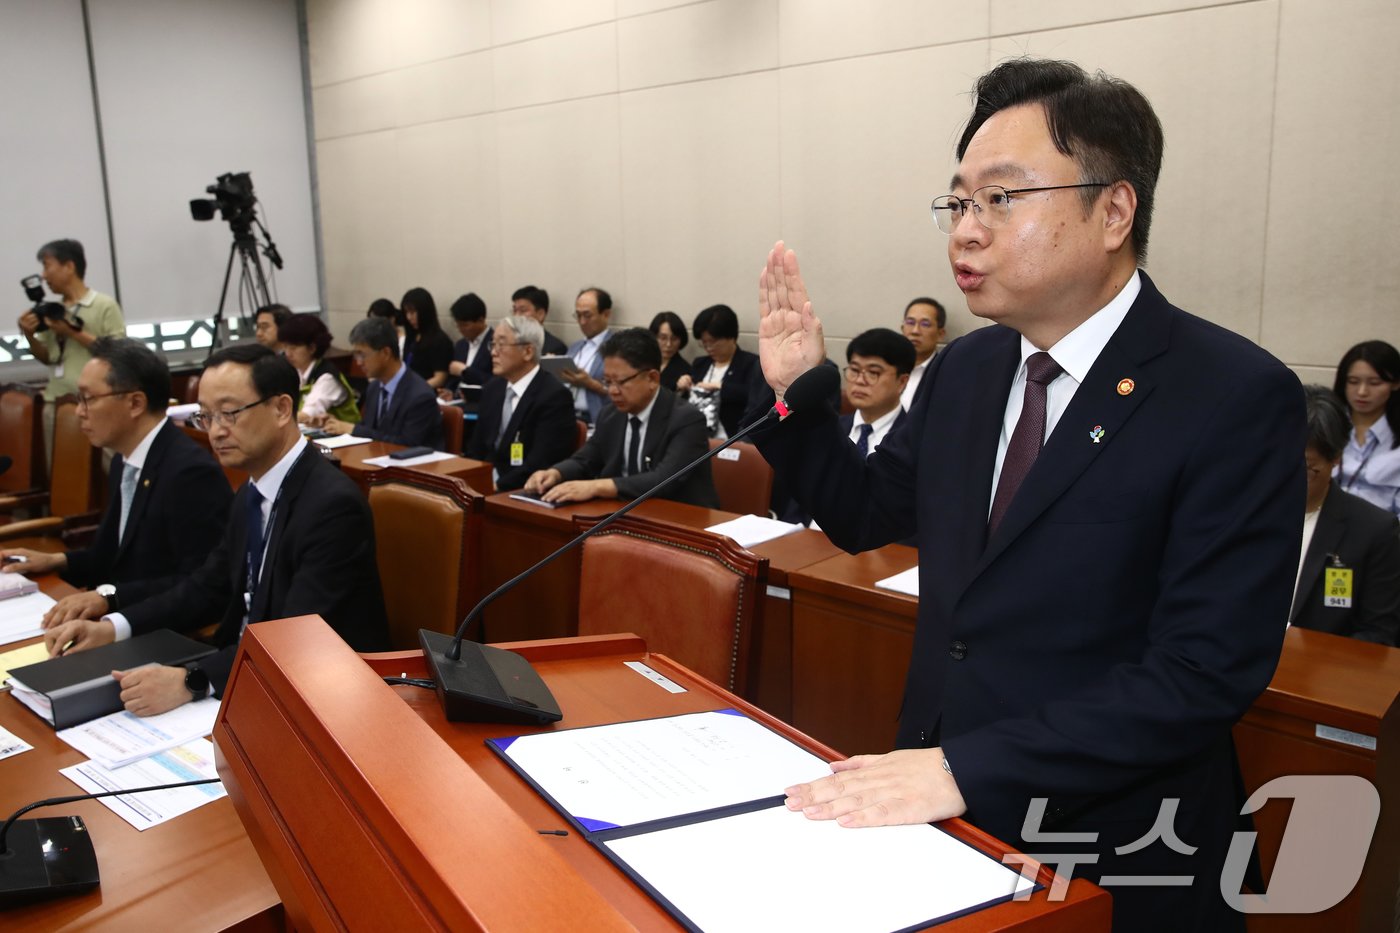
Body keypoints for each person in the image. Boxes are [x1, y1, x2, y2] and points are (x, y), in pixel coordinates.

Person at [758, 59, 1303, 930]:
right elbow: (868, 514)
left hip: (1115, 851)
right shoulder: (967, 370)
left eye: (1001, 199)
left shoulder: (1233, 393)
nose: (965, 233)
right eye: (958, 202)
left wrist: (964, 767)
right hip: (947, 828)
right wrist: (796, 397)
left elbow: (1201, 672)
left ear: (1114, 210)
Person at [43, 344, 389, 714]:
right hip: (241, 669)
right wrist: (113, 626)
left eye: (229, 413)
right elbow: (206, 588)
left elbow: (295, 639)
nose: (216, 432)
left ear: (281, 409)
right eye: (206, 417)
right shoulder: (252, 493)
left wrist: (192, 680)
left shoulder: (331, 506)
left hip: (317, 694)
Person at [0, 338, 230, 625]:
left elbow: (201, 587)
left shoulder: (190, 473)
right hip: (117, 618)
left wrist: (109, 598)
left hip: (158, 630)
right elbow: (110, 556)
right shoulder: (126, 460)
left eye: (88, 398)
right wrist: (56, 560)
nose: (79, 410)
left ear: (135, 403)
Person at [524, 327, 718, 508]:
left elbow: (663, 481)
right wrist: (555, 473)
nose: (613, 391)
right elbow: (586, 459)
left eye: (621, 382)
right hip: (624, 512)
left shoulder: (687, 419)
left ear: (652, 378)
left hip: (679, 519)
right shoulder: (611, 414)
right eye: (607, 382)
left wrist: (596, 487)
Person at [1290, 386, 1400, 645]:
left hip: (1320, 675)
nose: (1288, 480)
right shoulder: (1244, 513)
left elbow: (1378, 634)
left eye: (1307, 470)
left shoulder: (1374, 530)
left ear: (1336, 459)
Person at [16, 238, 126, 470]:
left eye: (47, 266)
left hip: (96, 404)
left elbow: (118, 352)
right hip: (55, 402)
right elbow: (48, 357)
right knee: (62, 474)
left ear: (69, 266)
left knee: (109, 471)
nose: (44, 276)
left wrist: (72, 332)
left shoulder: (103, 305)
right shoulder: (52, 311)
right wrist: (29, 335)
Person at [464, 316, 576, 491]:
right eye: (492, 344)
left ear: (528, 352)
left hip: (522, 489)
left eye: (501, 344)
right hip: (485, 482)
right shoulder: (493, 388)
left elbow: (541, 462)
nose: (493, 352)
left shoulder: (554, 396)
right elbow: (477, 447)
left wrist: (494, 486)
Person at [325, 316, 443, 449]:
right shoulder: (374, 388)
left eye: (362, 355)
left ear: (386, 353)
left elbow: (407, 444)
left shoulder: (420, 396)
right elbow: (369, 429)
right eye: (356, 355)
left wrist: (354, 430)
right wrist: (336, 424)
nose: (358, 362)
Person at [1332, 340, 1400, 516]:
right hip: (1323, 531)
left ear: (1395, 383)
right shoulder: (1328, 425)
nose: (1362, 392)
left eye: (1375, 383)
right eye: (1353, 381)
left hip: (1385, 538)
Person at [676, 304, 759, 439]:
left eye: (713, 342)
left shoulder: (751, 364)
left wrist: (720, 387)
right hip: (695, 437)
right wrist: (682, 387)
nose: (708, 348)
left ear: (732, 337)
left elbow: (753, 397)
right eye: (704, 342)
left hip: (731, 438)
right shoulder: (700, 363)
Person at [842, 328, 914, 457]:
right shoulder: (831, 430)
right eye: (854, 369)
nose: (859, 380)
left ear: (902, 382)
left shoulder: (914, 439)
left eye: (873, 373)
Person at [278, 313, 359, 426]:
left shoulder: (327, 377)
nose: (287, 353)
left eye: (293, 347)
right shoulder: (296, 371)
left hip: (346, 439)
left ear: (312, 348)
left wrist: (272, 419)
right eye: (285, 347)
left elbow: (307, 415)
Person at [562, 287, 613, 423]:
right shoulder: (575, 347)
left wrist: (590, 384)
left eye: (587, 315)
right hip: (567, 416)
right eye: (578, 316)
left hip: (596, 419)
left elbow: (625, 393)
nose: (582, 322)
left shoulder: (616, 347)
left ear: (606, 314)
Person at [400, 287, 452, 390]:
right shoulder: (412, 337)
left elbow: (440, 378)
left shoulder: (439, 340)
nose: (409, 317)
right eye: (406, 312)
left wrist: (414, 390)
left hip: (425, 393)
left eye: (412, 312)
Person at [900, 297, 946, 411]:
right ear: (902, 329)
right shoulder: (887, 367)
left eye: (925, 324)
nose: (915, 331)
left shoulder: (945, 374)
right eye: (910, 322)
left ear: (940, 334)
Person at [447, 292, 493, 390]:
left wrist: (465, 371)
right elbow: (454, 378)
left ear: (481, 320)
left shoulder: (496, 344)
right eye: (458, 325)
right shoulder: (461, 345)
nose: (460, 329)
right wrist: (449, 391)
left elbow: (496, 381)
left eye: (464, 325)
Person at [511, 285, 568, 356]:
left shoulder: (555, 348)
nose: (516, 316)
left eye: (523, 310)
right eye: (514, 310)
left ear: (540, 314)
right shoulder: (509, 342)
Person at [649, 311, 691, 391]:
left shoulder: (685, 371)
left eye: (674, 339)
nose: (668, 344)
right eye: (663, 338)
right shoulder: (642, 361)